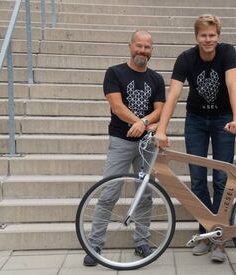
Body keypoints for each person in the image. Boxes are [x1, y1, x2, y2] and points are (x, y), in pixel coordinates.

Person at [155, 14, 236, 263]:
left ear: (218, 35)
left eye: (212, 35)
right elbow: (173, 94)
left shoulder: (227, 52)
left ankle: (220, 239)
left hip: (223, 120)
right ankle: (206, 232)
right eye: (203, 35)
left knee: (221, 180)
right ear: (196, 37)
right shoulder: (186, 58)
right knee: (196, 181)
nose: (208, 40)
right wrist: (161, 129)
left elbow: (232, 85)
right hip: (195, 121)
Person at [83, 30, 166, 266]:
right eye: (138, 46)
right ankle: (95, 244)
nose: (142, 51)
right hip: (120, 141)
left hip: (146, 143)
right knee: (109, 192)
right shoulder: (115, 73)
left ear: (152, 49)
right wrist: (140, 122)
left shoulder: (156, 79)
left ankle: (142, 242)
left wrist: (144, 123)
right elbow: (117, 107)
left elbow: (160, 109)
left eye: (147, 47)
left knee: (145, 194)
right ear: (130, 46)